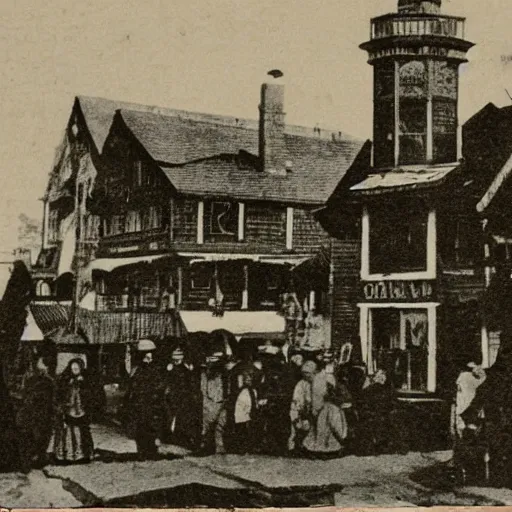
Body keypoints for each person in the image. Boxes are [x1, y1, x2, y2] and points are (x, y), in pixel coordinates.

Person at [124, 339, 165, 460]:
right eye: (146, 354)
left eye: (150, 353)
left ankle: (151, 451)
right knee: (140, 429)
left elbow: (160, 386)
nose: (149, 356)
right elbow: (132, 387)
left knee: (151, 428)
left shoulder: (156, 370)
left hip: (152, 404)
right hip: (139, 404)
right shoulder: (136, 369)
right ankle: (142, 452)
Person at [16, 351, 56, 472]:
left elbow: (51, 398)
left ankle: (37, 458)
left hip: (41, 412)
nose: (41, 366)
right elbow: (26, 395)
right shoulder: (32, 379)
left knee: (39, 436)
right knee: (34, 436)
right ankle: (33, 459)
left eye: (43, 363)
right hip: (34, 412)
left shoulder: (48, 381)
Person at [53, 358, 95, 464]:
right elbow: (59, 394)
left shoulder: (86, 380)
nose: (75, 370)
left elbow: (91, 394)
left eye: (77, 368)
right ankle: (66, 455)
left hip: (81, 409)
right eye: (73, 368)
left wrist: (83, 385)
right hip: (68, 409)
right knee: (67, 431)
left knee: (82, 431)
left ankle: (83, 454)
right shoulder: (65, 379)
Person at [302, 383, 348, 459]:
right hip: (328, 438)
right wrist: (341, 438)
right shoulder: (333, 408)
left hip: (317, 438)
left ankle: (315, 450)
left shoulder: (319, 407)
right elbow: (334, 425)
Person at [163, 344, 195, 448]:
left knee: (181, 416)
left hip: (182, 394)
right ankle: (172, 435)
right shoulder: (172, 367)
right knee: (172, 415)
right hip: (174, 394)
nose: (176, 360)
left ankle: (179, 436)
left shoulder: (184, 367)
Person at [200, 349, 229, 454]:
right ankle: (210, 446)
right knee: (209, 426)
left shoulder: (224, 374)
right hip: (210, 403)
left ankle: (218, 446)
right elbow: (203, 389)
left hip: (219, 402)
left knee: (219, 425)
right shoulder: (206, 373)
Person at [288, 360, 319, 453]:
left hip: (316, 410)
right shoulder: (301, 384)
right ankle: (296, 445)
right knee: (299, 423)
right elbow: (297, 400)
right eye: (304, 373)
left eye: (308, 373)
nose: (306, 375)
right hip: (303, 411)